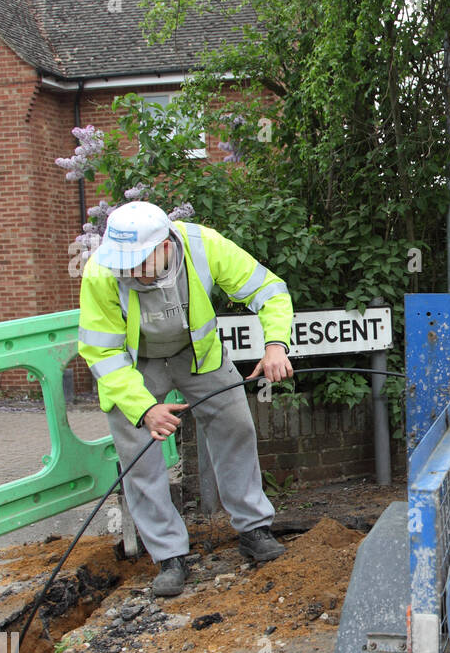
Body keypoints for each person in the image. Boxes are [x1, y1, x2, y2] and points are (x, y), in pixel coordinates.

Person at [77, 201, 294, 597]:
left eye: (138, 262)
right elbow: (102, 352)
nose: (128, 272)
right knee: (138, 451)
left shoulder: (202, 245)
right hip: (135, 365)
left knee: (235, 427)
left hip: (198, 355)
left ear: (164, 246)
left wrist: (276, 343)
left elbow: (268, 288)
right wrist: (144, 409)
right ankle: (169, 555)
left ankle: (253, 529)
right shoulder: (101, 272)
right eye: (122, 263)